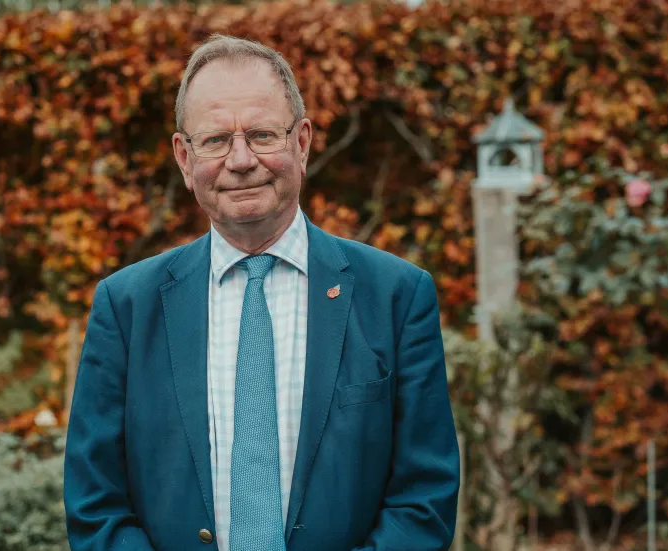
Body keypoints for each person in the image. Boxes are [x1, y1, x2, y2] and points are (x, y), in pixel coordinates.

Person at [63, 34, 460, 551]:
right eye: (215, 141)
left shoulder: (396, 296)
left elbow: (424, 501)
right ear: (184, 157)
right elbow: (96, 507)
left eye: (261, 134)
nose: (241, 159)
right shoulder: (126, 306)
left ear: (302, 142)